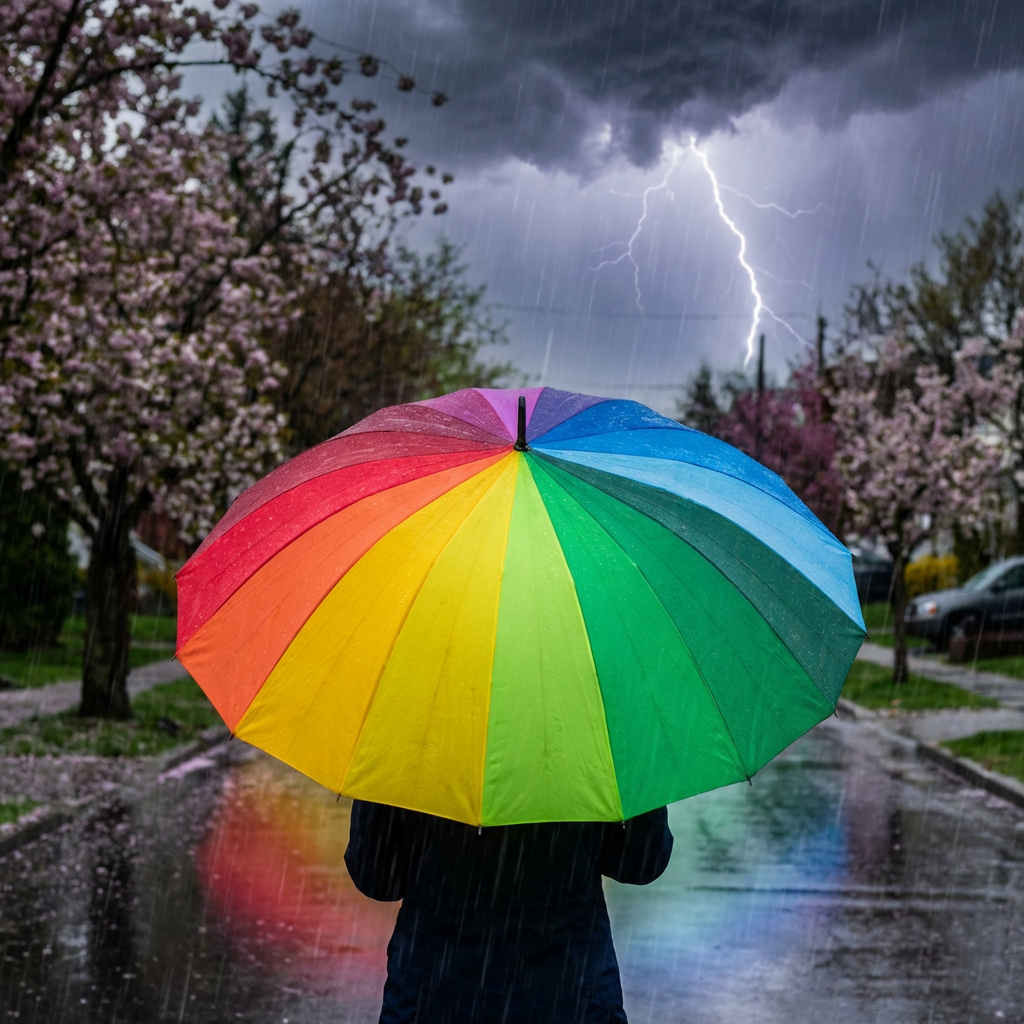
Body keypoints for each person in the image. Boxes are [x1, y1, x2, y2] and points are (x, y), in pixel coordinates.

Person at [345, 800, 673, 1024]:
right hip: (570, 992)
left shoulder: (413, 733)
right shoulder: (585, 736)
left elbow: (377, 878)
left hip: (435, 994)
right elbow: (640, 864)